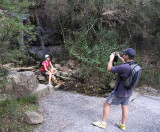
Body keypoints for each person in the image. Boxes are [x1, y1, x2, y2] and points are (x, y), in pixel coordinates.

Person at [93, 48, 141, 131]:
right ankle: (122, 125)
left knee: (106, 103)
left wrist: (111, 58)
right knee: (125, 107)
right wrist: (119, 57)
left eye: (124, 54)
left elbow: (109, 68)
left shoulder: (123, 67)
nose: (123, 55)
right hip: (128, 92)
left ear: (126, 56)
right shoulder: (135, 66)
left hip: (119, 92)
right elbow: (126, 64)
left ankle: (103, 123)